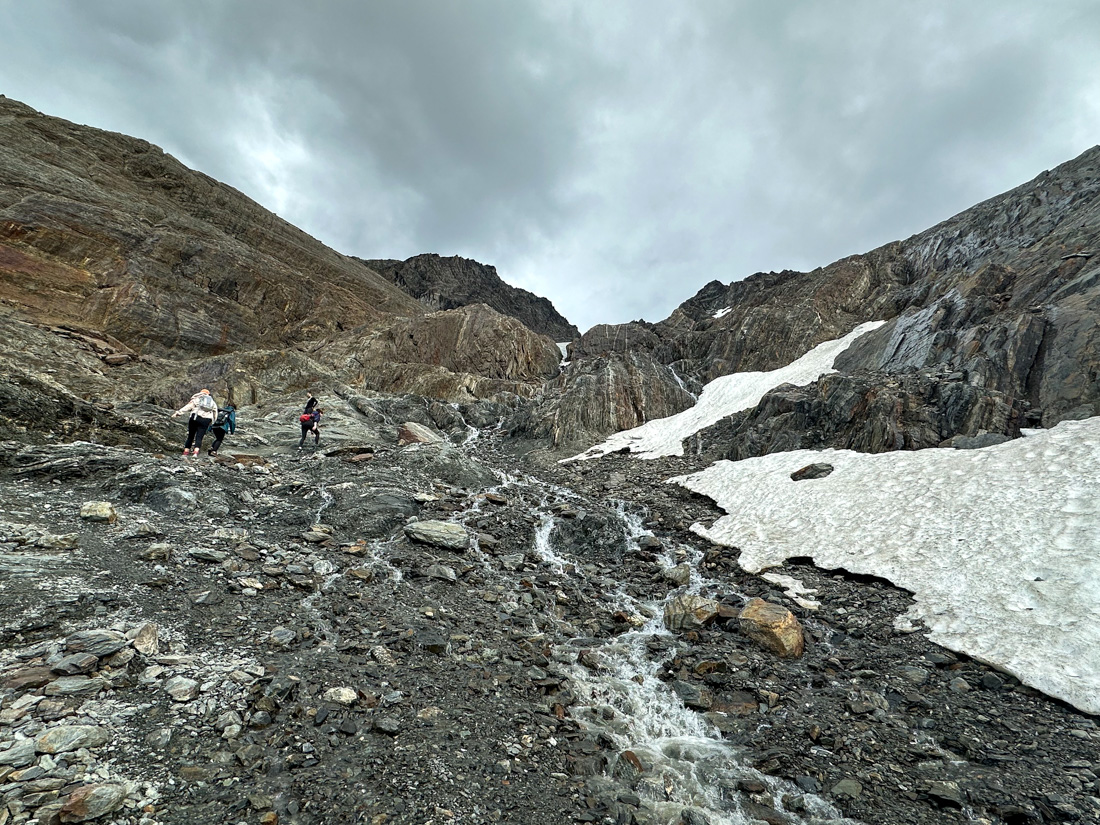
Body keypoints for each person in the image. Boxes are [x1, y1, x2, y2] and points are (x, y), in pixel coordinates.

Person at [172, 389, 218, 457]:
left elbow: (188, 407)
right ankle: (195, 453)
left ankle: (186, 452)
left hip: (195, 418)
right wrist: (213, 422)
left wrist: (178, 413)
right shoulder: (212, 402)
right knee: (199, 437)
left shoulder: (196, 398)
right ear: (208, 394)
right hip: (206, 420)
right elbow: (215, 412)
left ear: (201, 392)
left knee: (191, 435)